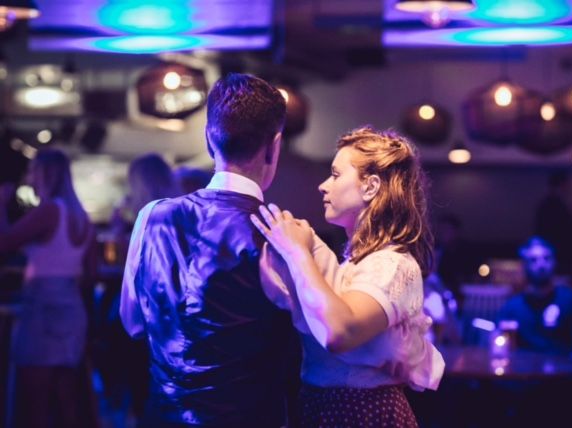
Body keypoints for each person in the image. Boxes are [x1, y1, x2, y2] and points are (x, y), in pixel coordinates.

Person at [119, 73, 298, 428]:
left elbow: (134, 323)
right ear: (274, 146)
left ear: (208, 139)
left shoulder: (152, 217)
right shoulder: (279, 234)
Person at [251, 126, 445, 427]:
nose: (323, 186)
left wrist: (297, 252)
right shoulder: (352, 265)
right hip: (321, 408)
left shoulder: (393, 264)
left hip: (362, 413)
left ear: (370, 187)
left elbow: (340, 332)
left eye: (336, 175)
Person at [0, 148, 96, 428]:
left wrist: (1, 205)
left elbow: (5, 243)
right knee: (67, 402)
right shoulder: (82, 217)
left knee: (37, 404)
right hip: (72, 308)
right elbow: (91, 274)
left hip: (43, 307)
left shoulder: (50, 210)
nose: (29, 178)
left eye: (33, 171)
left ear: (44, 174)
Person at [95, 153, 181, 427]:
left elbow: (129, 270)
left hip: (145, 313)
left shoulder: (147, 219)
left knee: (139, 382)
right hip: (174, 315)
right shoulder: (181, 215)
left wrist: (118, 231)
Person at [498, 236, 572, 359]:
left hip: (562, 368)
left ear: (555, 262)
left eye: (546, 258)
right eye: (533, 260)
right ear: (524, 266)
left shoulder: (571, 300)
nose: (541, 264)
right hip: (522, 369)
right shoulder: (512, 306)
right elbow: (498, 342)